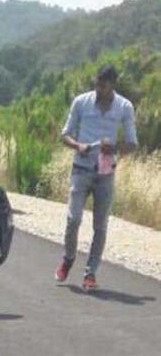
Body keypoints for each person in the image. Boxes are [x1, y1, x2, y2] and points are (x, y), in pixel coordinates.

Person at [55, 65, 138, 291]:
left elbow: (132, 143)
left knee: (100, 226)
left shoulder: (124, 107)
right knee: (73, 219)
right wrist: (77, 145)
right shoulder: (81, 102)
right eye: (96, 84)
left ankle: (90, 273)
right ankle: (68, 258)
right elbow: (65, 135)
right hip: (80, 168)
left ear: (113, 84)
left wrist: (114, 148)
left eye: (102, 85)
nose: (98, 88)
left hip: (105, 172)